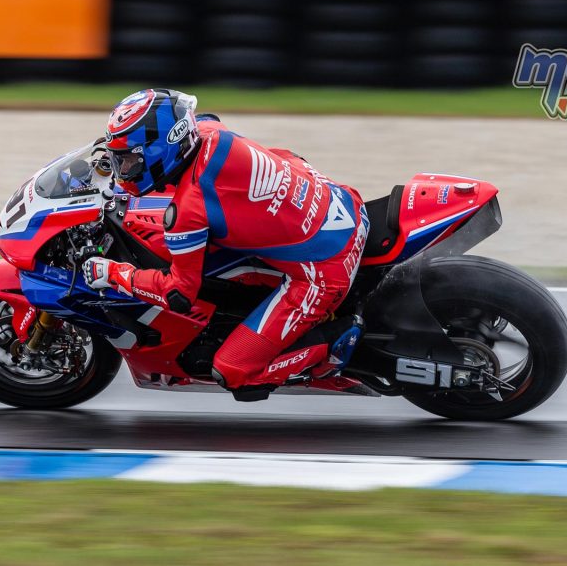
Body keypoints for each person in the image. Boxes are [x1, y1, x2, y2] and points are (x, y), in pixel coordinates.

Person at [82, 89, 368, 401]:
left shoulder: (188, 211)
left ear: (158, 152)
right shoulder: (206, 133)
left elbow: (178, 294)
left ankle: (334, 341)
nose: (123, 170)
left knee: (233, 371)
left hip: (325, 267)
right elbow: (208, 119)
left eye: (128, 161)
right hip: (341, 202)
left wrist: (113, 274)